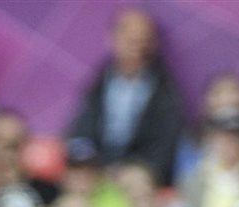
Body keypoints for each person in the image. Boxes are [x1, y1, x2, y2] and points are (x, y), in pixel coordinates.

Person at [64, 8, 183, 186]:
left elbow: (166, 143)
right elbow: (81, 131)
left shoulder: (165, 91)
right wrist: (85, 162)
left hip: (140, 173)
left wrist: (146, 170)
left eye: (144, 41)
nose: (138, 49)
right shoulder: (98, 82)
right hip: (96, 170)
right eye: (131, 41)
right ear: (113, 40)